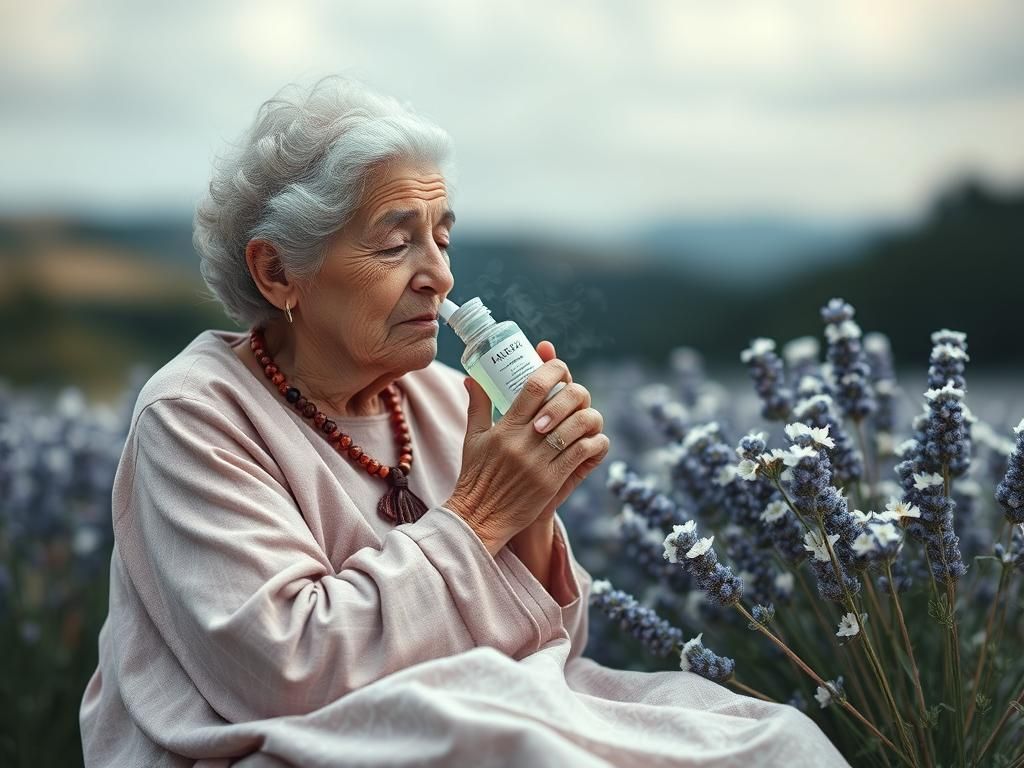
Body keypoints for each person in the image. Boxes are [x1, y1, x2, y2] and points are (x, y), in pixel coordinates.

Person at [79, 75, 849, 767]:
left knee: (774, 740)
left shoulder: (449, 398)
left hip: (473, 704)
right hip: (282, 736)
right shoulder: (197, 416)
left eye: (443, 237)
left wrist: (534, 509)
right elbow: (286, 669)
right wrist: (481, 514)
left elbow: (555, 645)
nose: (441, 275)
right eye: (396, 242)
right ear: (278, 271)